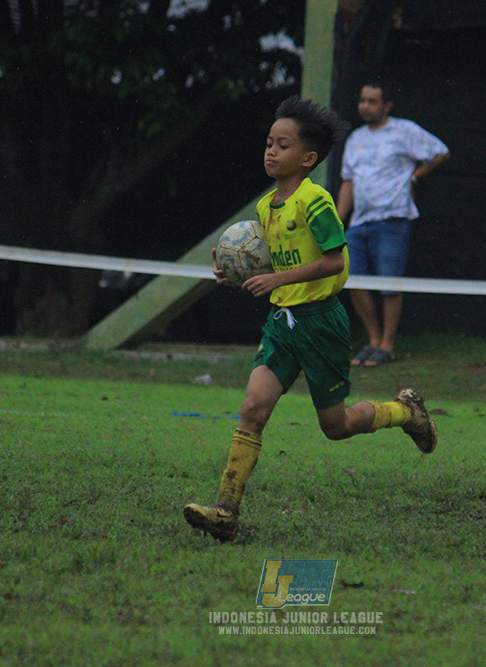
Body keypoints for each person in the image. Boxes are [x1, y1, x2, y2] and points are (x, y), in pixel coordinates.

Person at [183, 96, 438, 542]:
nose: (271, 151)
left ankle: (406, 412)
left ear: (308, 158)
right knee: (252, 409)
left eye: (283, 145)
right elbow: (270, 262)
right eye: (269, 142)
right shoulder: (266, 206)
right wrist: (236, 274)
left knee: (336, 427)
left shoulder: (315, 200)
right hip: (282, 321)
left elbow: (334, 261)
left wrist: (277, 277)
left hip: (321, 323)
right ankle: (226, 509)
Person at [336, 80, 450, 367]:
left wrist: (414, 177)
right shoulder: (355, 138)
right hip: (359, 221)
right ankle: (373, 340)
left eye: (372, 101)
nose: (365, 106)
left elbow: (440, 151)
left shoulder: (404, 130)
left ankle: (388, 345)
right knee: (352, 279)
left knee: (389, 283)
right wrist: (337, 221)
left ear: (387, 105)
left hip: (393, 218)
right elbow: (348, 182)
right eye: (362, 100)